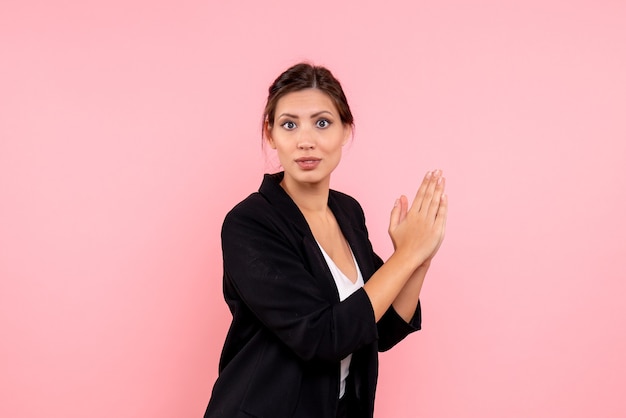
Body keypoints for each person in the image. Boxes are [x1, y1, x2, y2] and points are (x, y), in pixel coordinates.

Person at [203, 63, 447, 418]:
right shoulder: (249, 224)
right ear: (270, 134)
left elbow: (381, 328)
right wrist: (405, 256)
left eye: (322, 123)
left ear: (346, 130)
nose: (306, 140)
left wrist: (420, 258)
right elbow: (323, 337)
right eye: (289, 124)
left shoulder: (348, 212)